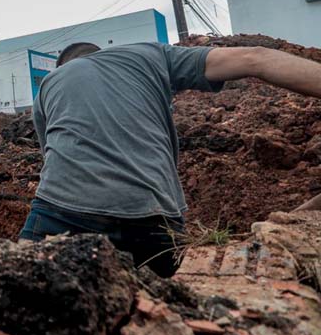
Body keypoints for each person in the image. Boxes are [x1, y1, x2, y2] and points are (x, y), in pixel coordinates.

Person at [20, 40, 321, 277]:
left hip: (63, 212)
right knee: (171, 311)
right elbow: (255, 57)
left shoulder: (49, 84)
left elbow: (50, 158)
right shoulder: (148, 55)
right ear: (103, 53)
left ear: (62, 66)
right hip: (154, 217)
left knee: (12, 295)